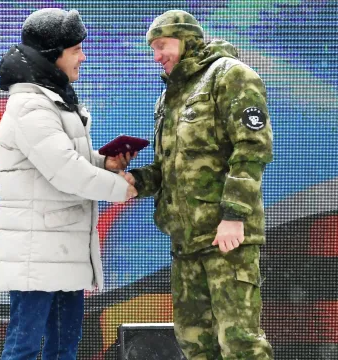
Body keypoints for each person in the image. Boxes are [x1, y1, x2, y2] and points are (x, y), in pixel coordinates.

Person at [126, 10, 275, 360]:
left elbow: (253, 149)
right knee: (195, 343)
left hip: (226, 239)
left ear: (187, 39)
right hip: (186, 241)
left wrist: (234, 216)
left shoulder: (231, 76)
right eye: (153, 49)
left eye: (162, 45)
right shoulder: (170, 97)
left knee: (240, 342)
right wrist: (134, 181)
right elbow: (171, 168)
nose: (157, 56)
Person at [0, 8, 137, 360]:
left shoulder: (52, 101)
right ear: (51, 55)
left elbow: (63, 159)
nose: (83, 57)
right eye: (75, 50)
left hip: (62, 251)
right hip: (38, 255)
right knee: (24, 349)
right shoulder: (30, 106)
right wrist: (121, 188)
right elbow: (66, 171)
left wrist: (104, 162)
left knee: (63, 349)